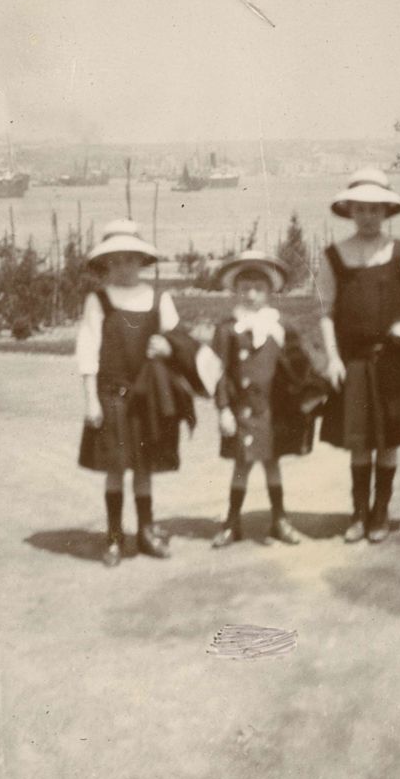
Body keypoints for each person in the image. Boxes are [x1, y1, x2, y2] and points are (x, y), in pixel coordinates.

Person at [318, 167, 400, 544]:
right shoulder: (334, 255)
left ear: (387, 211)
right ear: (349, 210)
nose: (368, 216)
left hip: (393, 363)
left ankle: (380, 512)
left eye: (375, 209)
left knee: (387, 439)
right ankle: (357, 513)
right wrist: (333, 359)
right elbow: (325, 312)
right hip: (353, 362)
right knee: (359, 440)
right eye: (361, 208)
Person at [76, 219, 190, 567]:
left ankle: (146, 531)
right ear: (106, 264)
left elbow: (179, 341)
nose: (124, 266)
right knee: (116, 466)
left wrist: (167, 346)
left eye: (131, 258)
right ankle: (114, 536)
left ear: (143, 261)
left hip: (148, 398)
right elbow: (87, 349)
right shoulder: (98, 301)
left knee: (144, 467)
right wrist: (91, 399)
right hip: (111, 396)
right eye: (116, 259)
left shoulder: (159, 299)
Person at [210, 251, 326, 549]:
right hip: (242, 411)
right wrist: (223, 409)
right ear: (235, 289)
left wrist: (307, 392)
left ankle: (279, 519)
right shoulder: (227, 328)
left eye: (258, 288)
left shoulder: (281, 325)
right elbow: (217, 372)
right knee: (242, 465)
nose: (251, 294)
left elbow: (300, 363)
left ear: (270, 291)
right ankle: (232, 521)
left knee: (273, 463)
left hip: (273, 411)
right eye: (245, 288)